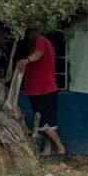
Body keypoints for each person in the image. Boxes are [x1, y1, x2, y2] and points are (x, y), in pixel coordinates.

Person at [16, 29, 66, 157]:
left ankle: (61, 149)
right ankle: (47, 149)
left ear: (33, 32)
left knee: (45, 123)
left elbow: (38, 53)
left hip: (42, 90)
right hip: (41, 89)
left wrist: (27, 60)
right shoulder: (46, 43)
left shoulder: (41, 41)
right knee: (45, 123)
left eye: (28, 34)